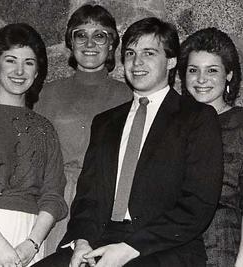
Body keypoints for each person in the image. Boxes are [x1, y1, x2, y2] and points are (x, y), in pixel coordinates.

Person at [33, 17, 223, 267]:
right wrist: (81, 241)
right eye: (131, 53)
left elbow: (197, 205)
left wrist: (129, 249)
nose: (137, 62)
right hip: (100, 240)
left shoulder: (197, 118)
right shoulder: (105, 122)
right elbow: (87, 198)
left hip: (163, 248)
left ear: (172, 60)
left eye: (149, 53)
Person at [34, 4, 132, 254]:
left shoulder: (127, 96)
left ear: (111, 45)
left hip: (105, 201)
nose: (90, 43)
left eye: (99, 35)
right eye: (81, 34)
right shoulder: (47, 94)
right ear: (70, 42)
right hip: (56, 201)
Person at [0, 23, 68, 267]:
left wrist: (32, 244)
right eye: (11, 60)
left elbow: (54, 194)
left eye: (29, 62)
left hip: (29, 239)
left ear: (37, 72)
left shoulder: (45, 128)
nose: (19, 70)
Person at [178, 27, 243, 267]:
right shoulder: (172, 125)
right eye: (193, 70)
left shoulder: (239, 124)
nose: (201, 79)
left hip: (223, 243)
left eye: (212, 70)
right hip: (172, 246)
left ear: (229, 74)